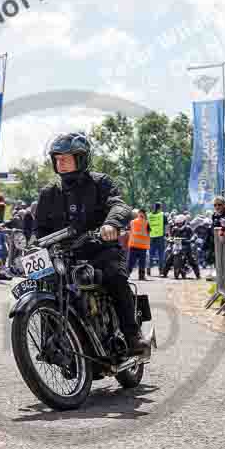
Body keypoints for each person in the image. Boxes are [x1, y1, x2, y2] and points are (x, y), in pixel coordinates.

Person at [35, 132, 150, 356]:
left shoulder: (100, 183)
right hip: (64, 255)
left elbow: (119, 206)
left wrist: (111, 224)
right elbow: (39, 229)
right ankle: (50, 341)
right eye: (57, 159)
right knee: (45, 285)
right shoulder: (49, 193)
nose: (61, 163)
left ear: (81, 158)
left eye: (66, 158)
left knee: (115, 276)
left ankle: (132, 335)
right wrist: (32, 246)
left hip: (99, 248)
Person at [161, 214, 199, 279]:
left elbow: (194, 234)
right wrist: (169, 239)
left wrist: (193, 238)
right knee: (169, 259)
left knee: (192, 260)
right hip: (176, 246)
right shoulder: (174, 229)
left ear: (184, 222)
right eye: (177, 223)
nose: (179, 225)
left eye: (180, 223)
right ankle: (164, 273)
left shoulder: (188, 228)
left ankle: (198, 275)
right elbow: (171, 236)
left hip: (186, 246)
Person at [127, 209, 151, 280]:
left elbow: (128, 229)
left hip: (133, 245)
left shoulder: (132, 222)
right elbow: (149, 232)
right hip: (142, 246)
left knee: (131, 262)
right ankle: (141, 276)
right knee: (142, 263)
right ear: (144, 214)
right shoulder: (146, 223)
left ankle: (126, 274)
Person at [146, 202, 167, 277]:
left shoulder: (149, 215)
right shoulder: (163, 215)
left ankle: (148, 269)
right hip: (160, 236)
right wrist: (167, 235)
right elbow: (166, 227)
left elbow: (147, 227)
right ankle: (161, 271)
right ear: (160, 207)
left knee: (151, 253)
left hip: (151, 237)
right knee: (161, 254)